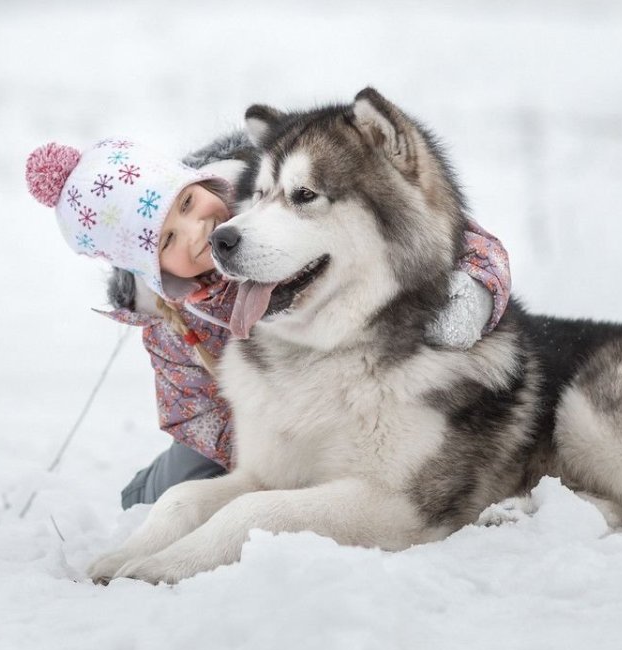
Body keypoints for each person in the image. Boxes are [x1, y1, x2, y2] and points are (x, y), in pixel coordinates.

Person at [25, 132, 512, 508]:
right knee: (178, 491)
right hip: (257, 426)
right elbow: (192, 410)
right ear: (154, 273)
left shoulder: (275, 203)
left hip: (347, 388)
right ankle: (140, 496)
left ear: (202, 181)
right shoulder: (175, 322)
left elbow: (451, 234)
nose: (200, 230)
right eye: (168, 240)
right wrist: (268, 449)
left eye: (189, 203)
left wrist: (472, 293)